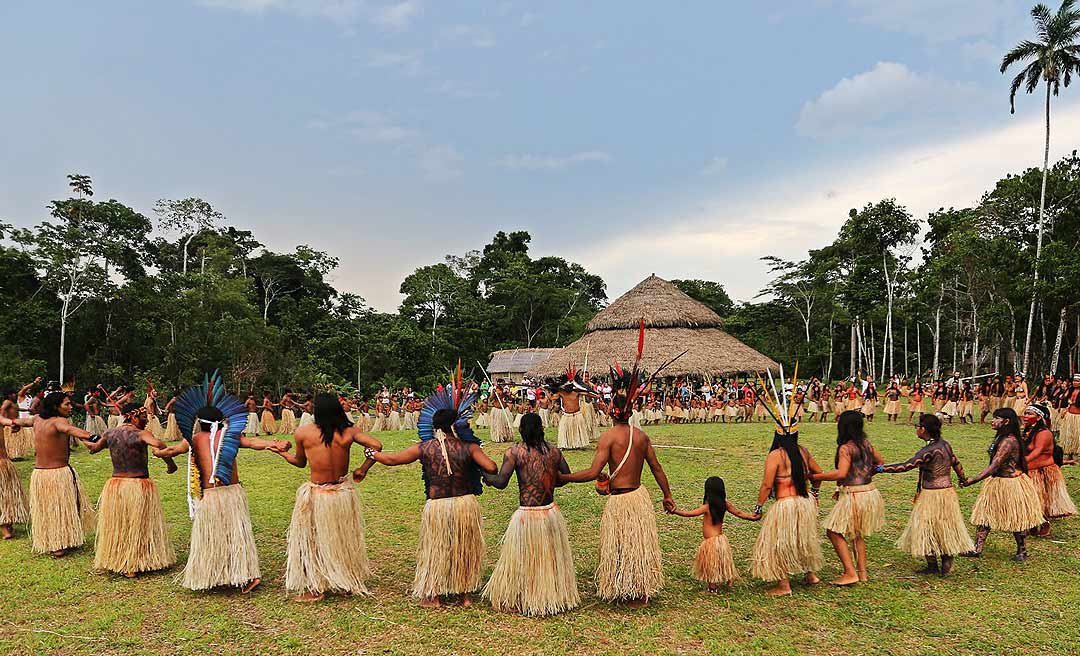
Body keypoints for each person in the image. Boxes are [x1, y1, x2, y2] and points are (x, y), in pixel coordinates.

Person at [154, 376, 290, 593]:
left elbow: (171, 451)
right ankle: (245, 575)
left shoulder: (194, 439)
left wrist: (158, 452)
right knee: (235, 535)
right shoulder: (231, 436)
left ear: (201, 422)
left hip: (211, 496)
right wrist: (274, 445)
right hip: (231, 494)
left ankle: (223, 573)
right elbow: (253, 442)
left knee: (215, 537)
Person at [368, 384, 497, 608]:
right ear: (454, 425)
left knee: (437, 550)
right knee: (463, 549)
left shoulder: (424, 447)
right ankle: (465, 596)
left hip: (437, 506)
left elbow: (392, 460)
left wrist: (372, 454)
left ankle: (434, 596)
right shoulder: (468, 447)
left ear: (433, 425)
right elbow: (492, 467)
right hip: (464, 504)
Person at [559, 365, 676, 608]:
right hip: (638, 497)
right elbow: (657, 469)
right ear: (631, 412)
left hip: (621, 501)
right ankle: (638, 590)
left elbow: (592, 473)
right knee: (637, 544)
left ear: (612, 413)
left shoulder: (608, 438)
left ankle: (628, 590)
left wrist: (564, 478)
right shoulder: (641, 437)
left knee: (624, 544)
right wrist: (667, 496)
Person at [275, 393, 381, 601]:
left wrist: (281, 453)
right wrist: (363, 469)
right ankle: (345, 581)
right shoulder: (349, 432)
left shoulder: (303, 433)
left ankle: (316, 588)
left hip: (318, 495)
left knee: (315, 540)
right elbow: (376, 445)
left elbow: (299, 462)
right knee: (341, 539)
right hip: (341, 494)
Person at [481, 413, 579, 616]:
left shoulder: (514, 452)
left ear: (521, 431)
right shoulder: (554, 452)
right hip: (549, 513)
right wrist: (549, 479)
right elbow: (564, 477)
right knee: (548, 559)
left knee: (523, 559)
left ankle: (523, 597)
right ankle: (552, 596)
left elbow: (501, 482)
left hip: (526, 515)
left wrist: (484, 476)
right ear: (542, 428)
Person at [84, 402, 177, 577]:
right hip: (138, 485)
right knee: (137, 525)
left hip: (116, 487)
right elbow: (159, 444)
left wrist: (80, 436)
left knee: (124, 525)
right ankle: (135, 561)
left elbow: (93, 448)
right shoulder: (141, 434)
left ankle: (127, 563)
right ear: (132, 416)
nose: (146, 421)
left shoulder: (109, 433)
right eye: (143, 417)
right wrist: (170, 464)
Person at [875, 414, 974, 576]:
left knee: (926, 526)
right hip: (947, 493)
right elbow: (956, 463)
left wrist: (881, 469)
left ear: (924, 429)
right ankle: (941, 561)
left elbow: (907, 466)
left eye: (917, 426)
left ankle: (936, 564)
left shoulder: (928, 450)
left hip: (932, 494)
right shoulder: (945, 445)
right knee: (943, 526)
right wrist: (962, 479)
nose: (916, 429)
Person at [13, 392, 99, 556]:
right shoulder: (60, 421)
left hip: (40, 475)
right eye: (67, 404)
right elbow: (71, 429)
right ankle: (59, 543)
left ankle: (60, 540)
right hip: (57, 474)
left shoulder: (37, 419)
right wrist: (94, 437)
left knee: (54, 509)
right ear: (55, 406)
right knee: (58, 508)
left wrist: (13, 423)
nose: (71, 407)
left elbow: (22, 421)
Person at [811, 410, 885, 585]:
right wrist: (866, 473)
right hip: (870, 492)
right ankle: (862, 573)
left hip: (855, 495)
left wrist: (815, 477)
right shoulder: (866, 444)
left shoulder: (846, 448)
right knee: (856, 534)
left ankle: (850, 573)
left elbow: (841, 472)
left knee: (833, 531)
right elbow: (881, 463)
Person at [960, 408, 1043, 561]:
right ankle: (977, 548)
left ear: (1006, 421)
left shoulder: (1008, 441)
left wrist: (973, 480)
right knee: (984, 515)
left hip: (1010, 484)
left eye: (996, 418)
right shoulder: (1001, 437)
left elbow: (995, 465)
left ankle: (1022, 551)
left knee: (1016, 518)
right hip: (998, 482)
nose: (993, 421)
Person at [750, 427, 824, 596]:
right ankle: (810, 575)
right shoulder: (803, 452)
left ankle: (784, 586)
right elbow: (818, 473)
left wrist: (758, 507)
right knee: (803, 539)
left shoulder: (775, 455)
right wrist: (815, 493)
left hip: (785, 505)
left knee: (778, 543)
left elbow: (767, 485)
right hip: (804, 502)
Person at [671, 476, 760, 592]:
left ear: (707, 491)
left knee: (711, 565)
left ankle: (712, 587)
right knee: (722, 561)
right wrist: (751, 517)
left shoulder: (707, 507)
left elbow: (689, 514)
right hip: (721, 539)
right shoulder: (725, 504)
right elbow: (738, 512)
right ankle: (729, 579)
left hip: (711, 542)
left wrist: (675, 511)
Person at [1023, 403, 1077, 536]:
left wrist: (1021, 463)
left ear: (1039, 417)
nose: (1025, 416)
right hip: (1030, 471)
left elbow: (1037, 451)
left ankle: (1044, 522)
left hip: (1043, 471)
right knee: (1031, 498)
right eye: (1025, 413)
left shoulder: (1044, 433)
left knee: (1041, 499)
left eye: (1029, 414)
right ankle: (1032, 522)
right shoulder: (1028, 431)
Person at [546, 366, 594, 449]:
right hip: (566, 415)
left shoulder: (577, 391)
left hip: (577, 414)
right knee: (563, 429)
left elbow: (589, 394)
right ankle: (565, 444)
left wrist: (593, 393)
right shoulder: (561, 393)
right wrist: (546, 391)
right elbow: (551, 398)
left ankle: (578, 444)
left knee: (577, 430)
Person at [0, 413, 30, 539]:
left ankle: (6, 522)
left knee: (5, 495)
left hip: (2, 463)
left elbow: (8, 421)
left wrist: (14, 423)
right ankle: (4, 525)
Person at [1060, 374, 1080, 457]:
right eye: (1074, 381)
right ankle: (1070, 451)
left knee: (1078, 435)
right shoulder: (1070, 390)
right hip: (1070, 414)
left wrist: (1074, 402)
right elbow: (1064, 399)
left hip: (1078, 416)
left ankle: (1078, 450)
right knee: (1069, 434)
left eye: (1077, 381)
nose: (1075, 382)